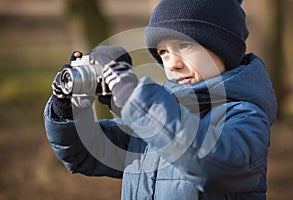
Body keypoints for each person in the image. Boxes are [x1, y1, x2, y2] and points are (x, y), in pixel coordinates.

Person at [43, 0, 277, 199]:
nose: (172, 63)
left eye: (184, 45)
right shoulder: (157, 118)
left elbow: (212, 165)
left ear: (224, 48)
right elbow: (83, 154)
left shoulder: (246, 116)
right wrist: (67, 106)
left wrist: (132, 96)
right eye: (163, 52)